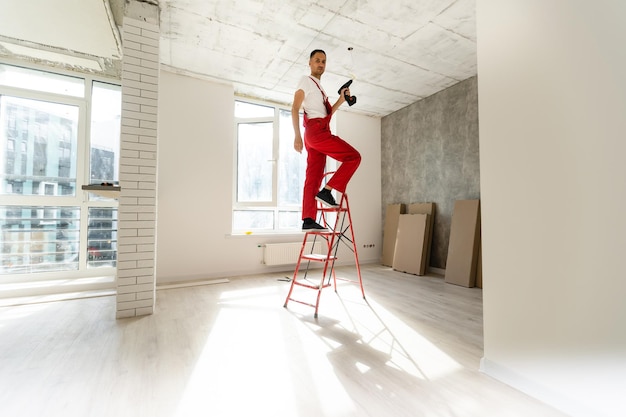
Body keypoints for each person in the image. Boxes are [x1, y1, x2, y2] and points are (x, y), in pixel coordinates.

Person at [292, 49, 361, 231]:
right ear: (310, 62)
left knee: (313, 177)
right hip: (316, 132)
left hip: (318, 130)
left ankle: (308, 219)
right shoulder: (305, 81)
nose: (320, 64)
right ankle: (327, 191)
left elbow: (325, 114)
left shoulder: (319, 88)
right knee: (354, 157)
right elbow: (294, 107)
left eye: (323, 61)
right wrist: (297, 136)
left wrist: (341, 100)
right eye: (317, 60)